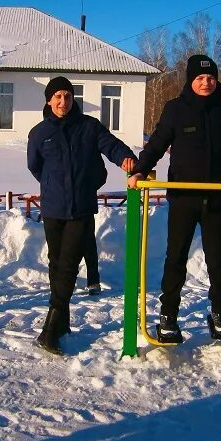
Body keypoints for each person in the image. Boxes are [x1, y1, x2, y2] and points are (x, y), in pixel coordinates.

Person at [128, 54, 221, 343]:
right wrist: (139, 171)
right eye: (200, 78)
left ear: (217, 80)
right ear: (190, 80)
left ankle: (219, 312)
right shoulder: (176, 109)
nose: (206, 82)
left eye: (210, 77)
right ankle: (168, 316)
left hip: (216, 197)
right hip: (184, 198)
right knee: (176, 257)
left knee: (215, 258)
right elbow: (158, 143)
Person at [28, 76, 136, 354]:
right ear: (49, 100)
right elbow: (35, 166)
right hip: (53, 208)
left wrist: (127, 158)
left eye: (67, 96)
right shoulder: (39, 133)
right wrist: (54, 185)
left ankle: (49, 331)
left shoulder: (88, 126)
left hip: (81, 208)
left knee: (67, 265)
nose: (63, 102)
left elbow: (111, 145)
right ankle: (62, 322)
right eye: (58, 97)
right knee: (55, 264)